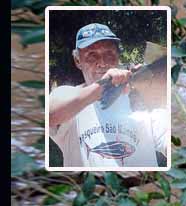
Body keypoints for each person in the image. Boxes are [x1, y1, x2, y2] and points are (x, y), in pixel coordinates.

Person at [49, 23, 165, 168]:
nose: (102, 63)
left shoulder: (141, 101)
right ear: (78, 61)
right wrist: (103, 85)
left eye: (109, 54)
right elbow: (50, 116)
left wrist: (153, 87)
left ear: (118, 57)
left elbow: (168, 136)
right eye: (92, 55)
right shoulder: (67, 94)